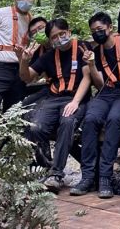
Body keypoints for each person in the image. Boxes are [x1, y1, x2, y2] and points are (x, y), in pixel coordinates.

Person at [16, 18, 91, 191]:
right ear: (50, 40)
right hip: (53, 99)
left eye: (62, 34)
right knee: (36, 127)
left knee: (67, 122)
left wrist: (75, 102)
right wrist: (24, 61)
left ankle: (56, 174)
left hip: (76, 98)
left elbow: (87, 77)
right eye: (54, 37)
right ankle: (48, 166)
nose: (59, 39)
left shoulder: (83, 48)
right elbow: (27, 77)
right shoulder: (48, 56)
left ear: (69, 32)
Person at [71, 12, 120, 199]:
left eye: (100, 29)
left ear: (110, 28)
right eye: (93, 31)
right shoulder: (95, 51)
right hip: (106, 92)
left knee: (114, 119)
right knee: (91, 119)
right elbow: (100, 84)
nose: (97, 33)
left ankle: (105, 177)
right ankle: (88, 176)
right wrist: (91, 65)